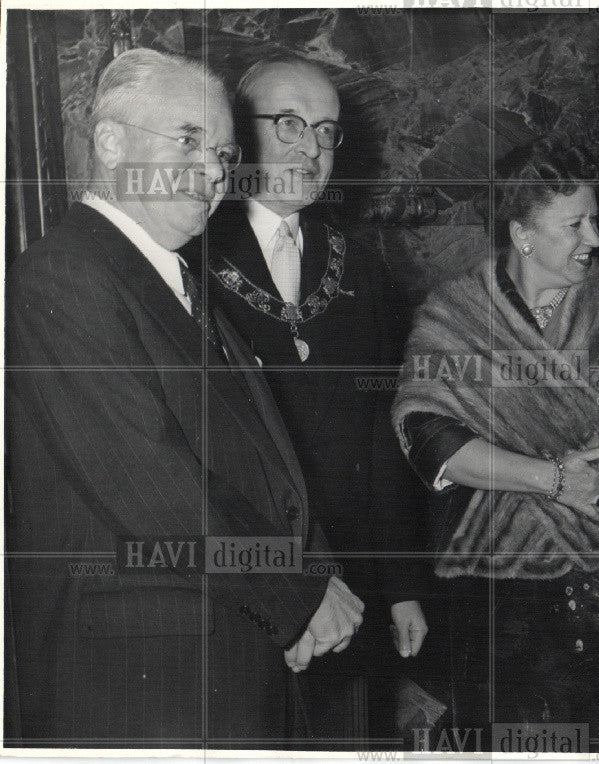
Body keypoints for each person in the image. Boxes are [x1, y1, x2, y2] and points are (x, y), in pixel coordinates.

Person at [5, 48, 362, 744]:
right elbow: (147, 480)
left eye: (225, 153)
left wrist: (313, 578)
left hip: (221, 645)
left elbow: (262, 459)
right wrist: (297, 593)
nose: (213, 173)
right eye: (188, 142)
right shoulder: (63, 275)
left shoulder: (179, 281)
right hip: (141, 670)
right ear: (110, 142)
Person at [390, 135, 599, 752]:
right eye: (574, 224)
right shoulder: (457, 315)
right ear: (522, 234)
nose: (595, 240)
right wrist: (552, 479)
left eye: (595, 220)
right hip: (499, 605)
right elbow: (430, 438)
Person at [180, 56, 428, 740]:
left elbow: (384, 436)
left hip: (351, 598)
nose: (311, 146)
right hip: (239, 596)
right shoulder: (189, 256)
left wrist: (402, 583)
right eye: (288, 122)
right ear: (239, 133)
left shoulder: (361, 264)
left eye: (326, 130)